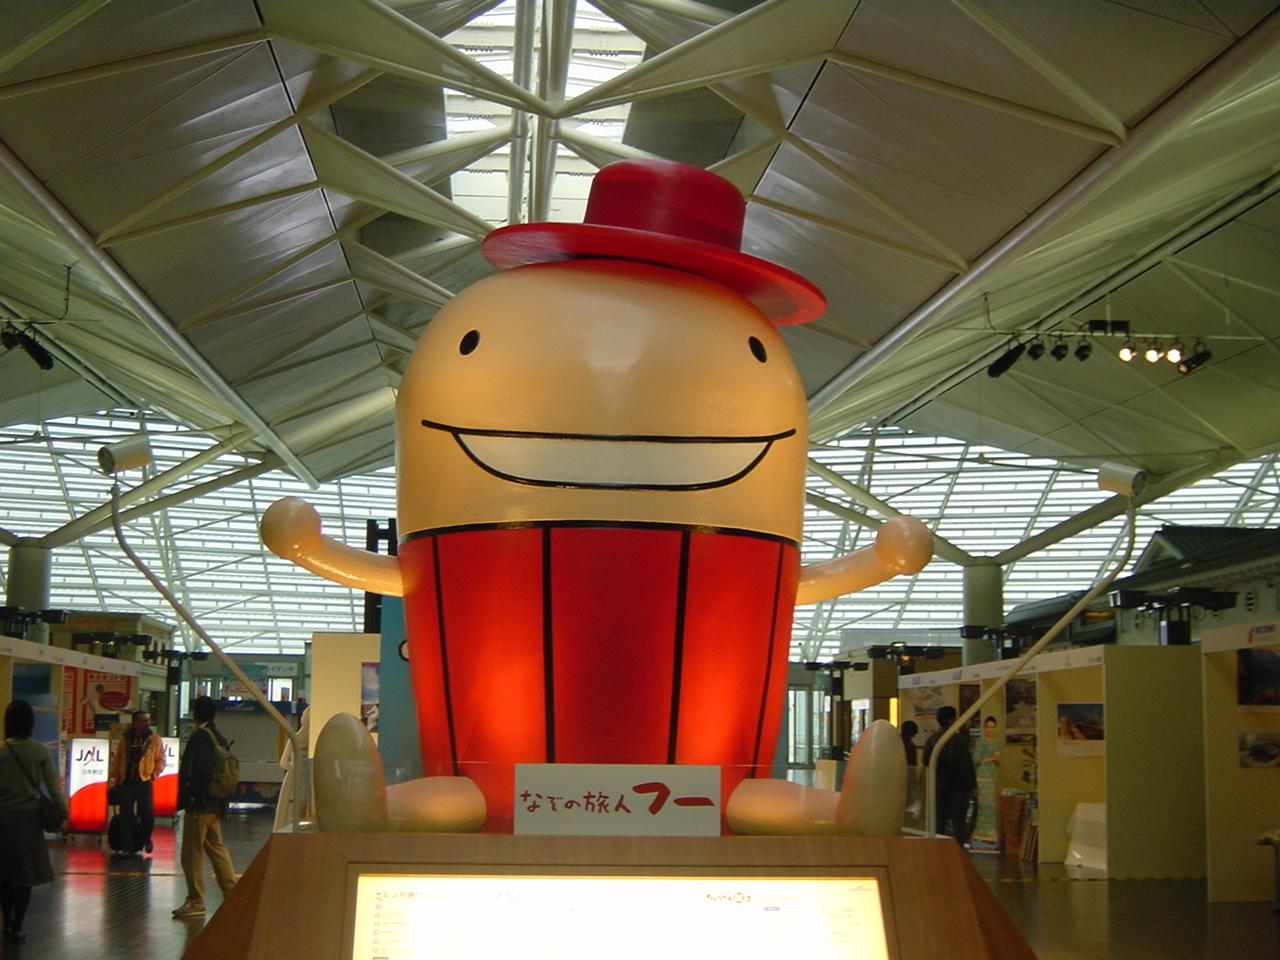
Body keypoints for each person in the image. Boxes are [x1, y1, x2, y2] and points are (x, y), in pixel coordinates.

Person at [0, 699, 68, 945]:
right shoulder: (39, 751)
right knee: (25, 877)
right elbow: (53, 787)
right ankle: (18, 926)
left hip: (2, 819)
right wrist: (64, 812)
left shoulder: (2, 750)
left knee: (4, 875)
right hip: (28, 821)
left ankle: (6, 923)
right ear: (30, 722)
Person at [173, 696, 237, 919]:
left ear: (195, 713)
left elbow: (202, 771)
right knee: (217, 848)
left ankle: (196, 900)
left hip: (200, 804)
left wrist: (188, 795)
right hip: (215, 804)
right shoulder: (219, 736)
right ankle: (231, 893)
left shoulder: (201, 736)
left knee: (191, 854)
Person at [110, 709, 166, 854]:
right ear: (135, 723)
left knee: (147, 815)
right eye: (143, 721)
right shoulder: (125, 738)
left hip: (144, 781)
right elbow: (118, 759)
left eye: (148, 720)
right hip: (127, 782)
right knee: (126, 816)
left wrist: (154, 774)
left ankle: (146, 838)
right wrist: (116, 780)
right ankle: (128, 846)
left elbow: (161, 760)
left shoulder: (154, 739)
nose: (146, 723)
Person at [922, 704, 976, 844]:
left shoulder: (932, 739)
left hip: (938, 787)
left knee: (939, 821)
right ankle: (958, 850)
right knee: (958, 822)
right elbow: (966, 766)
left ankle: (938, 849)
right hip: (958, 788)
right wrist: (971, 786)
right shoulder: (959, 740)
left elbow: (925, 761)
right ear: (950, 720)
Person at [972, 715, 1001, 844]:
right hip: (982, 777)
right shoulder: (981, 741)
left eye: (993, 727)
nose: (990, 730)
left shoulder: (996, 742)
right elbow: (976, 759)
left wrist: (995, 759)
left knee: (991, 805)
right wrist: (991, 758)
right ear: (984, 728)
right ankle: (981, 832)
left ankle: (990, 833)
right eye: (988, 727)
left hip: (992, 776)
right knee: (984, 805)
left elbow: (998, 761)